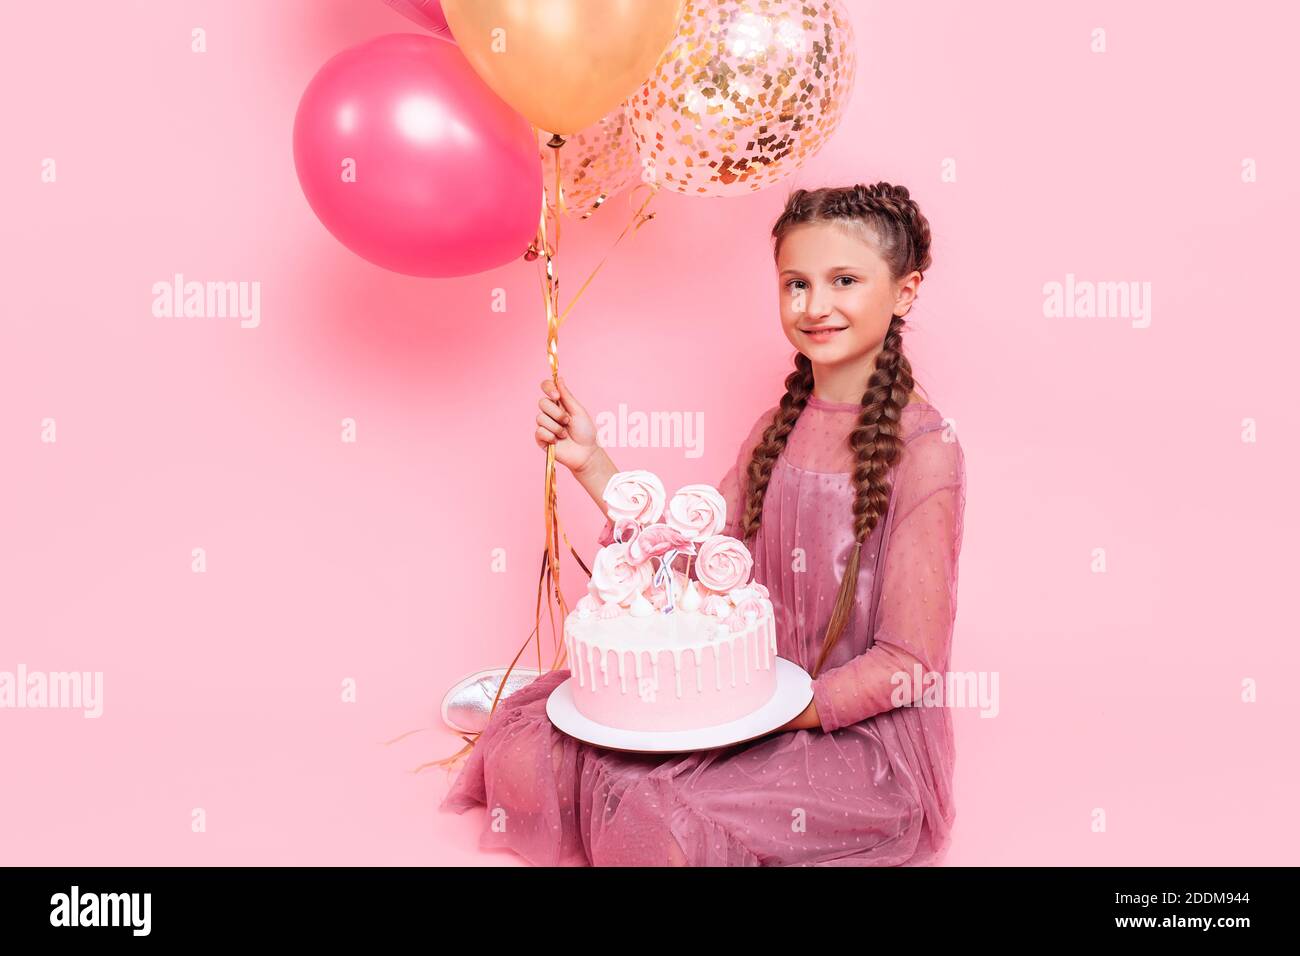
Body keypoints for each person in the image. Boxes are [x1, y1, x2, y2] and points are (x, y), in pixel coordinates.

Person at [439, 182, 967, 866]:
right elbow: (696, 555)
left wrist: (761, 718)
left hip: (846, 736)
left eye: (844, 280)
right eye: (795, 283)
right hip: (745, 691)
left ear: (903, 291)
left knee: (660, 811)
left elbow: (909, 664)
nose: (815, 306)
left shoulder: (927, 451)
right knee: (533, 742)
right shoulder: (776, 431)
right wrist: (591, 461)